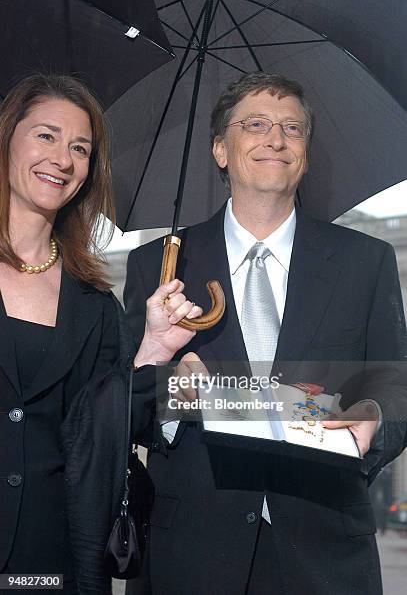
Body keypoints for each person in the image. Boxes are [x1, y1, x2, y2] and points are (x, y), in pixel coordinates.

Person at [124, 72, 407, 594]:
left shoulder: (366, 261)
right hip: (191, 553)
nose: (275, 139)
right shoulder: (158, 266)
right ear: (220, 149)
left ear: (305, 152)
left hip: (325, 551)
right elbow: (124, 407)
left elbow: (397, 387)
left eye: (292, 128)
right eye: (255, 124)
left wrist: (373, 418)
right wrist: (173, 393)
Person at [0, 74, 201, 593]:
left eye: (80, 148)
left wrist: (154, 349)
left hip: (49, 568)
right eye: (46, 135)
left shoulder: (96, 306)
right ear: (7, 138)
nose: (63, 159)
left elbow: (108, 434)